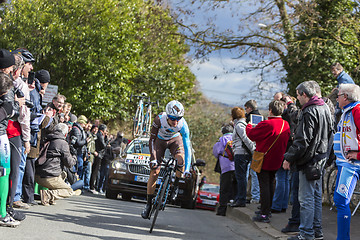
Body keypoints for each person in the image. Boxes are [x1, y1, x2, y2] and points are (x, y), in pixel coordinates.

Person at [283, 81, 333, 240]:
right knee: (316, 197)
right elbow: (332, 133)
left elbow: (302, 141)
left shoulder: (309, 111)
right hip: (321, 159)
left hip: (309, 161)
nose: (297, 99)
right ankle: (316, 232)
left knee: (306, 199)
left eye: (298, 95)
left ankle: (306, 234)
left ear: (304, 94)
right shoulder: (324, 107)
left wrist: (288, 158)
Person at [141, 100, 191, 219]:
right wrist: (153, 159)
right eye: (173, 118)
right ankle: (148, 204)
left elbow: (187, 147)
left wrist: (187, 169)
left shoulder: (182, 125)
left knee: (180, 160)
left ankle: (175, 186)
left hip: (175, 140)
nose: (175, 122)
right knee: (154, 172)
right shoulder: (159, 119)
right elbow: (152, 140)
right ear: (167, 116)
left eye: (178, 118)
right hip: (159, 141)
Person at [246, 100, 290, 223]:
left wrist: (249, 125)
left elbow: (252, 134)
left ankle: (264, 212)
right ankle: (268, 210)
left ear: (270, 110)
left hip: (264, 158)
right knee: (271, 183)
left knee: (264, 185)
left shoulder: (267, 124)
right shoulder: (285, 124)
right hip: (277, 159)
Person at [332, 84, 360, 240]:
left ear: (346, 97)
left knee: (341, 201)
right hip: (345, 165)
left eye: (338, 95)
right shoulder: (347, 112)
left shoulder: (356, 110)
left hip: (352, 165)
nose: (336, 98)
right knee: (340, 200)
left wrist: (358, 154)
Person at [35, 123, 80, 206]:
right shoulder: (62, 143)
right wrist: (74, 156)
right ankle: (48, 195)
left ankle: (51, 198)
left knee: (64, 174)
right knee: (69, 191)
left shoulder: (48, 138)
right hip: (49, 176)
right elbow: (69, 163)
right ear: (66, 134)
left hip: (38, 175)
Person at [0, 72, 20, 227]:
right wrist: (10, 109)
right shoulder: (5, 102)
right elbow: (13, 113)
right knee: (4, 174)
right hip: (2, 137)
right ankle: (2, 213)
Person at [229, 107, 255, 208]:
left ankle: (241, 199)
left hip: (241, 153)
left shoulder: (239, 126)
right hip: (243, 153)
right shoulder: (243, 124)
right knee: (241, 177)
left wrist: (253, 150)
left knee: (240, 177)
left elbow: (245, 139)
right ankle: (240, 198)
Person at [213, 124, 236, 216]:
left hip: (226, 167)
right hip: (237, 165)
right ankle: (234, 201)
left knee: (224, 189)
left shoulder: (221, 140)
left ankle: (222, 210)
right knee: (235, 186)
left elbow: (215, 153)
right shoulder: (236, 139)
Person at [244, 99, 261, 204]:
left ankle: (249, 195)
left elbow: (247, 135)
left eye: (246, 108)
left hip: (249, 149)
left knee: (249, 174)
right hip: (258, 148)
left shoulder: (248, 119)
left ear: (249, 108)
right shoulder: (261, 118)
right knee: (254, 174)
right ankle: (254, 195)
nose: (245, 110)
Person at [68, 115, 88, 179]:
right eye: (84, 123)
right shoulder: (76, 129)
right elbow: (78, 142)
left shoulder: (80, 129)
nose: (85, 125)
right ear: (81, 122)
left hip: (80, 153)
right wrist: (86, 141)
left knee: (80, 169)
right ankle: (75, 184)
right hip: (77, 153)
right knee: (77, 169)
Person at [89, 124, 107, 194]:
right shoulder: (100, 136)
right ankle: (92, 187)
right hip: (98, 154)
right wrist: (106, 144)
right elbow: (103, 145)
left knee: (95, 171)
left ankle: (93, 186)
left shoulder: (98, 135)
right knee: (95, 171)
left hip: (97, 154)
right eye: (105, 130)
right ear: (102, 130)